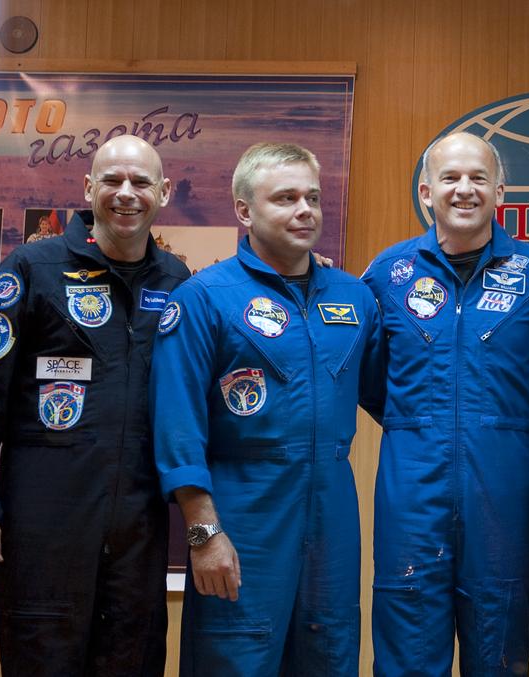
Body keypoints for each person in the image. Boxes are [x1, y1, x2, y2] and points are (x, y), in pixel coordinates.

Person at [0, 135, 188, 676]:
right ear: (88, 188)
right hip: (44, 521)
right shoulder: (32, 268)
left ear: (164, 193)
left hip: (138, 524)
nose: (126, 194)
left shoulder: (176, 281)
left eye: (141, 182)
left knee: (134, 657)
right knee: (42, 659)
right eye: (112, 180)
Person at [151, 142, 378, 676]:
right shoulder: (205, 297)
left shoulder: (354, 298)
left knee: (330, 647)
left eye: (313, 197)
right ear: (244, 210)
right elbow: (176, 424)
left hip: (331, 509)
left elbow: (397, 394)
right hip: (243, 507)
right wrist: (204, 534)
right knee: (235, 654)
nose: (305, 210)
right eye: (285, 198)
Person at [360, 131, 529, 675]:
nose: (464, 189)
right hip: (412, 490)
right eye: (449, 178)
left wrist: (505, 428)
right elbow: (371, 379)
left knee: (500, 646)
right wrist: (419, 423)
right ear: (426, 192)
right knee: (407, 646)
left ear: (501, 191)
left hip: (504, 489)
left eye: (478, 178)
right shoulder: (388, 274)